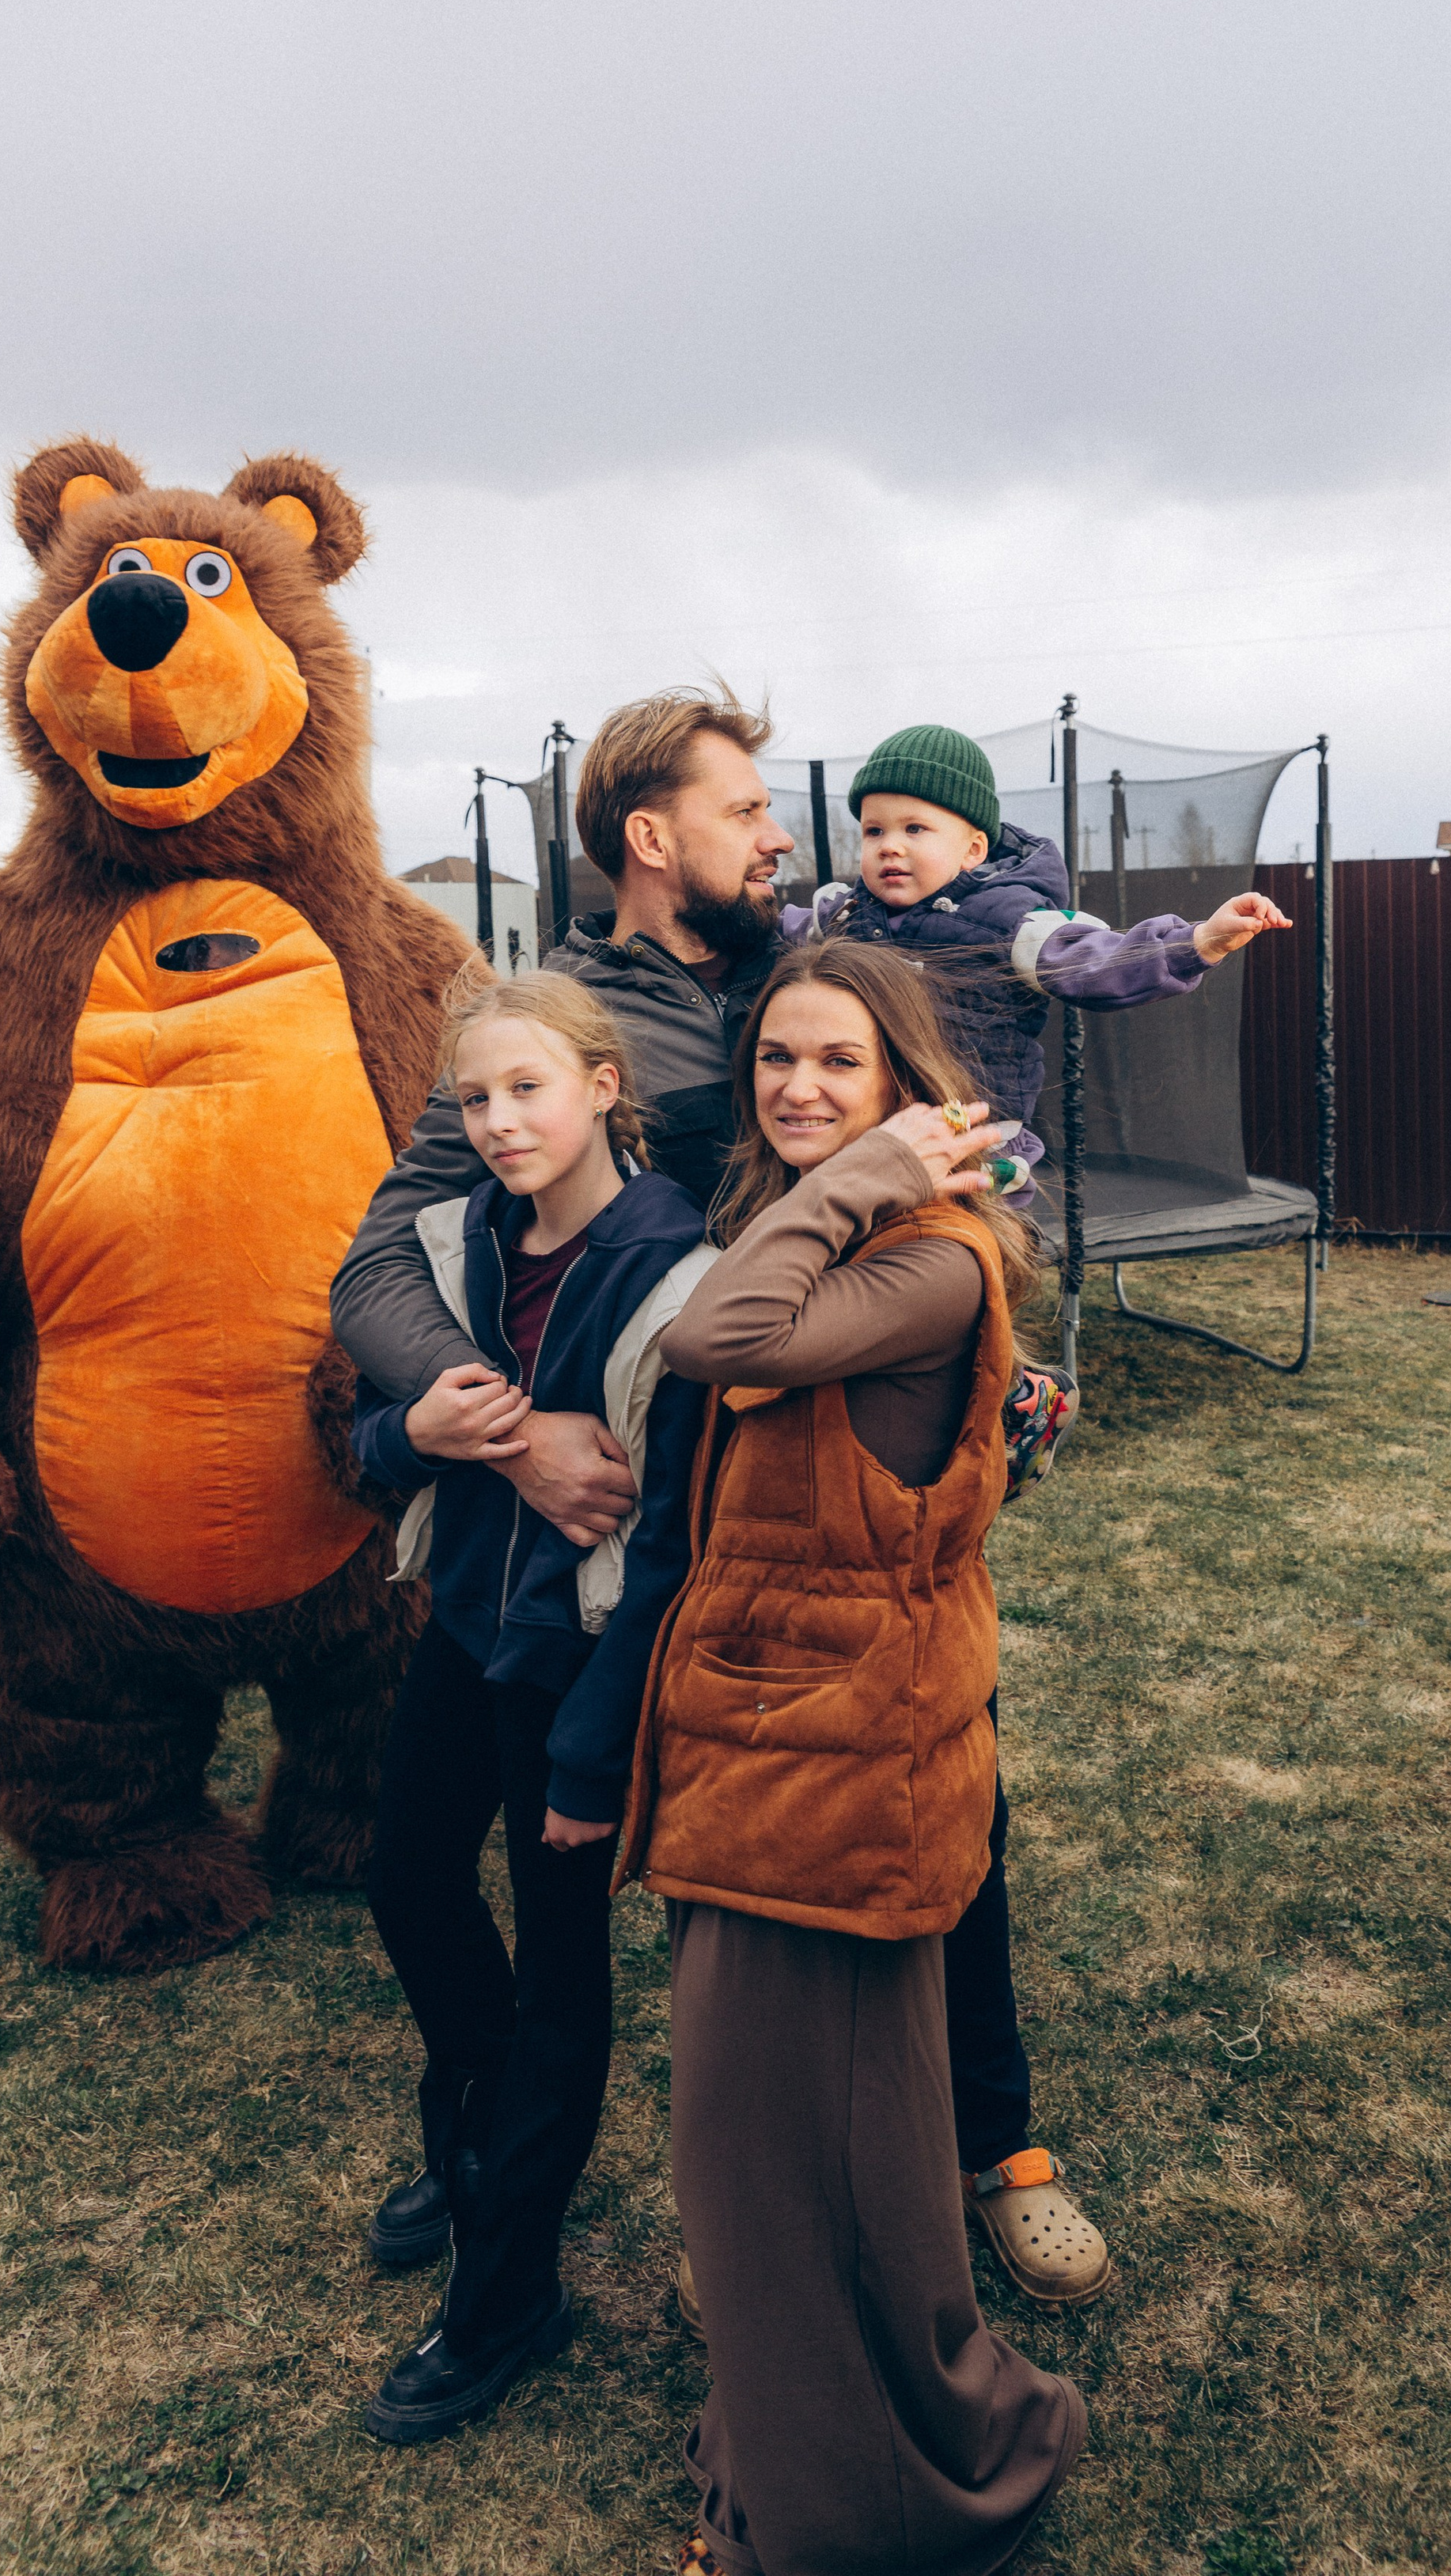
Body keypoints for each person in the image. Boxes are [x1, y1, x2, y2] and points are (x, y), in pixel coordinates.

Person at [331, 688, 1107, 2308]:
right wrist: (489, 1422)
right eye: (746, 809)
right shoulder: (542, 1021)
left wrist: (994, 1363)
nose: (780, 837)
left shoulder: (797, 976)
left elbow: (960, 1061)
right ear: (649, 838)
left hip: (829, 1448)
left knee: (936, 1795)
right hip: (634, 1494)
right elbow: (387, 1245)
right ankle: (509, 2140)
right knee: (701, 1856)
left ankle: (994, 2146)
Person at [620, 944, 1085, 2576]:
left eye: (838, 1065)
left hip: (827, 1777)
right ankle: (814, 2444)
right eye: (773, 1062)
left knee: (784, 2168)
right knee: (798, 2165)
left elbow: (718, 1331)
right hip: (776, 1752)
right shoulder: (845, 1241)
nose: (797, 1091)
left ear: (905, 1087)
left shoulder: (930, 1260)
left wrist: (865, 1177)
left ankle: (837, 2515)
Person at [347, 972, 714, 2445]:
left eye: (528, 1090)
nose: (498, 1124)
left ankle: (508, 2294)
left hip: (577, 1658)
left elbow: (674, 1531)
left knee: (563, 1973)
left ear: (605, 1087)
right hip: (466, 1624)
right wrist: (414, 1427)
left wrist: (591, 1754)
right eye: (475, 1099)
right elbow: (373, 1450)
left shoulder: (673, 1267)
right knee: (406, 1877)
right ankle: (480, 2137)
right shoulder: (464, 1243)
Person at [794, 720, 1292, 1191]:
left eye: (915, 829)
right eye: (874, 831)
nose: (889, 847)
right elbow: (773, 934)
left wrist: (1198, 942)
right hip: (869, 1131)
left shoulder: (1010, 920)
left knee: (950, 1246)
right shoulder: (843, 914)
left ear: (972, 851)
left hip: (971, 1135)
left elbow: (1099, 961)